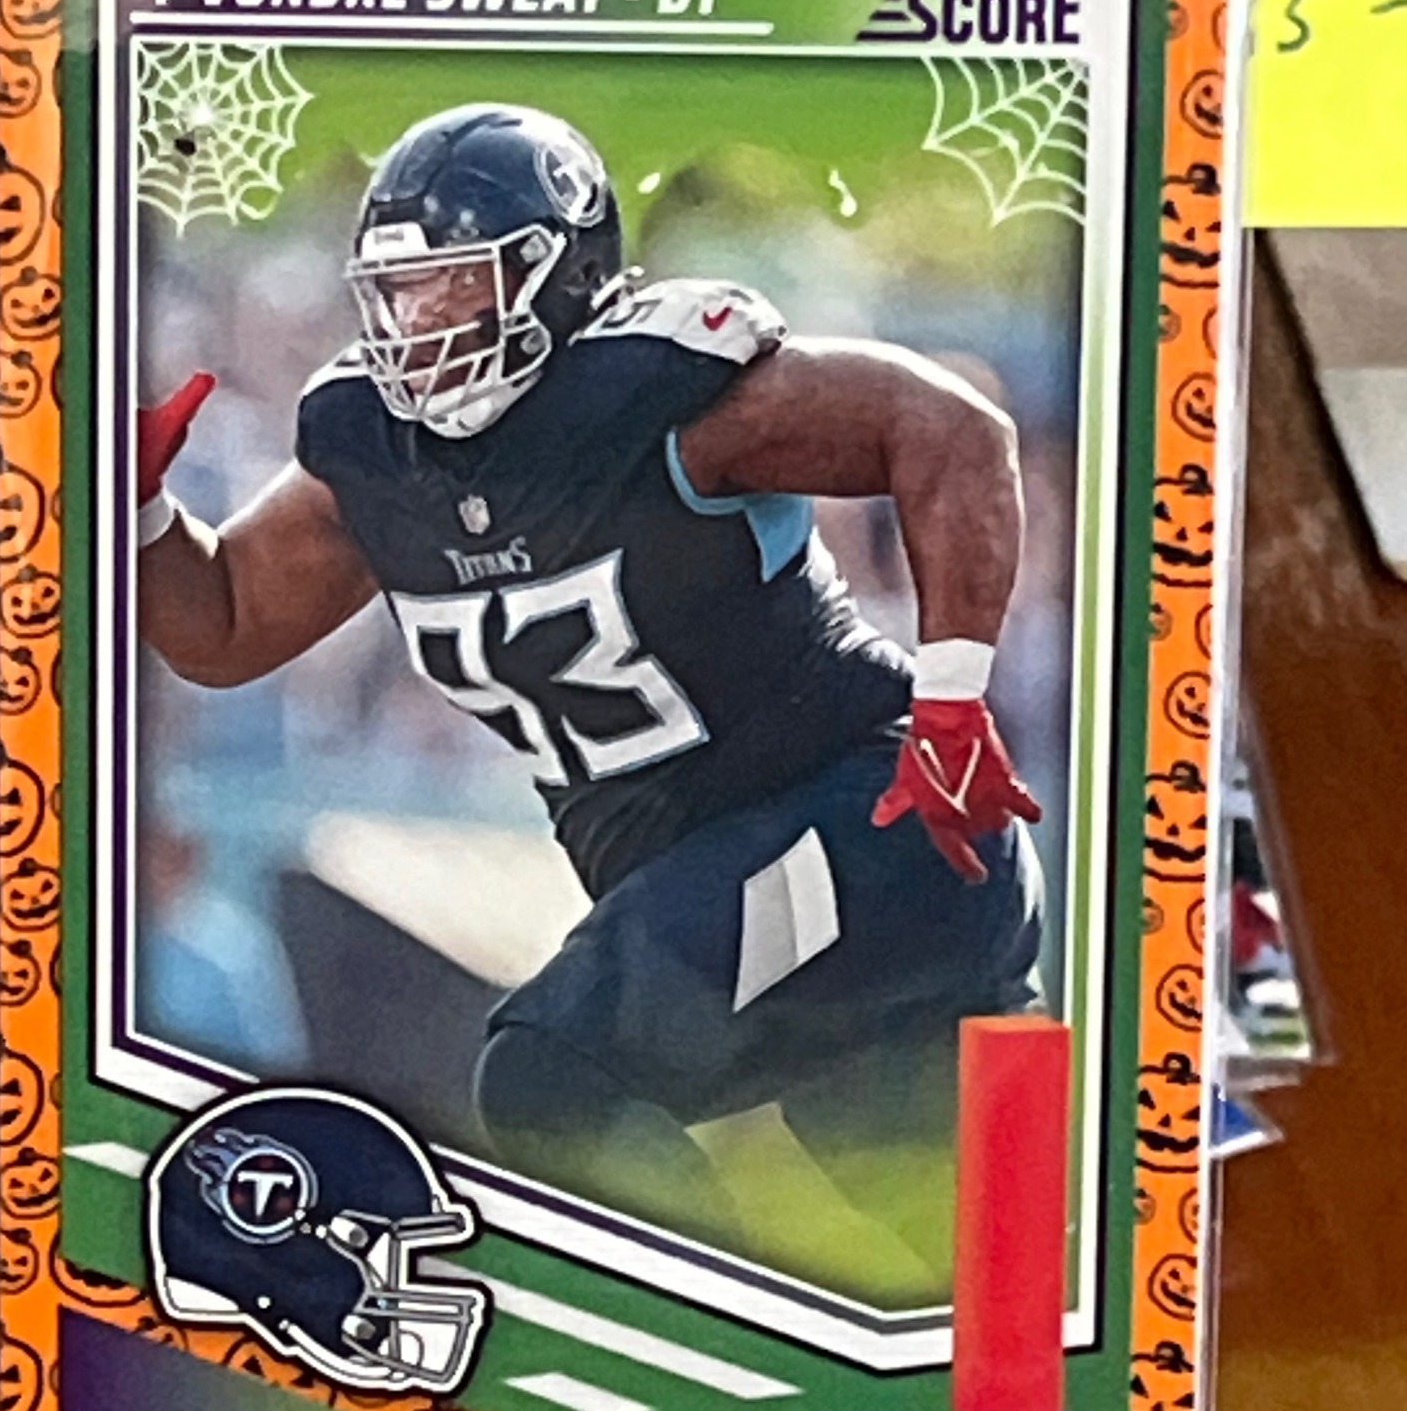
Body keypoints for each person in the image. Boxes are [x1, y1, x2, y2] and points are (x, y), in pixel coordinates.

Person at [138, 101, 1045, 1290]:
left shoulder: (657, 389)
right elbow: (222, 625)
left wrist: (955, 699)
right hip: (766, 890)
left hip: (874, 820)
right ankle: (1024, 1360)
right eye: (397, 292)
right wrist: (139, 509)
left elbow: (952, 425)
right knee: (975, 1271)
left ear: (555, 272)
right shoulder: (377, 454)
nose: (417, 323)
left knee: (551, 1069)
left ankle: (700, 1345)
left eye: (452, 284)